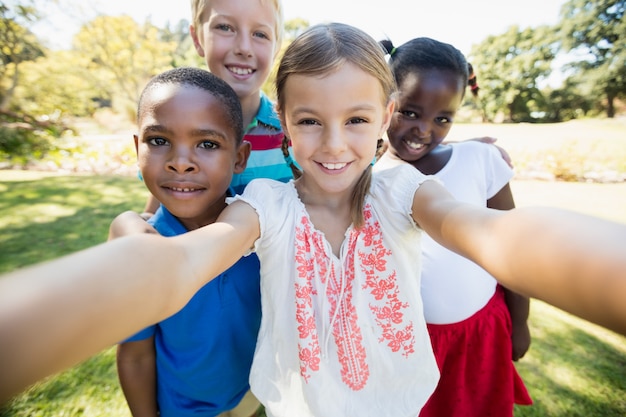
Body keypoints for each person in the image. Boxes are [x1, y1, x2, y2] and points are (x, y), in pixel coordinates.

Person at [1, 23, 626, 415]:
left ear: (384, 118)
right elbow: (179, 264)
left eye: (356, 120)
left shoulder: (402, 193)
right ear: (282, 127)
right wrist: (130, 255)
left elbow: (494, 235)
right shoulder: (266, 208)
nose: (333, 145)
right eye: (309, 121)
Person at [378, 36, 532, 417]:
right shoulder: (369, 178)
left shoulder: (480, 160)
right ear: (384, 102)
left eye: (442, 118)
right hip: (408, 343)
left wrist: (521, 322)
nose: (423, 130)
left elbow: (513, 250)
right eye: (410, 112)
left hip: (482, 331)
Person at [114, 66, 262, 417]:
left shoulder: (264, 223)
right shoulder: (143, 251)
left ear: (240, 157)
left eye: (207, 144)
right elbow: (134, 354)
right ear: (138, 149)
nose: (181, 163)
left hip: (252, 395)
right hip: (182, 409)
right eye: (159, 141)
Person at [138, 0, 291, 216]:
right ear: (197, 39)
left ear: (276, 47)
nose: (244, 48)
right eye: (225, 28)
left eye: (260, 34)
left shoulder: (295, 132)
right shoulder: (173, 126)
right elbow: (155, 215)